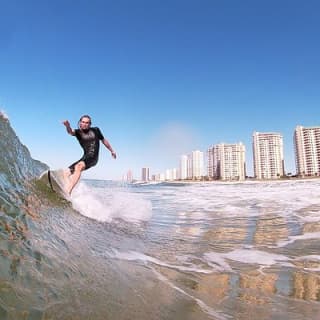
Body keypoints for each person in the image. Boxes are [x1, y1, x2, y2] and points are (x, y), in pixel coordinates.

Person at [62, 115, 116, 195]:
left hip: (93, 157)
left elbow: (104, 140)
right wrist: (67, 126)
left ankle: (68, 191)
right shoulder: (78, 132)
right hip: (85, 157)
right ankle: (68, 188)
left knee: (79, 166)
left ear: (90, 124)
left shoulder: (96, 130)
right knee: (65, 173)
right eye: (83, 122)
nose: (85, 124)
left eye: (87, 123)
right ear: (80, 123)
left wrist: (112, 150)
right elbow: (70, 132)